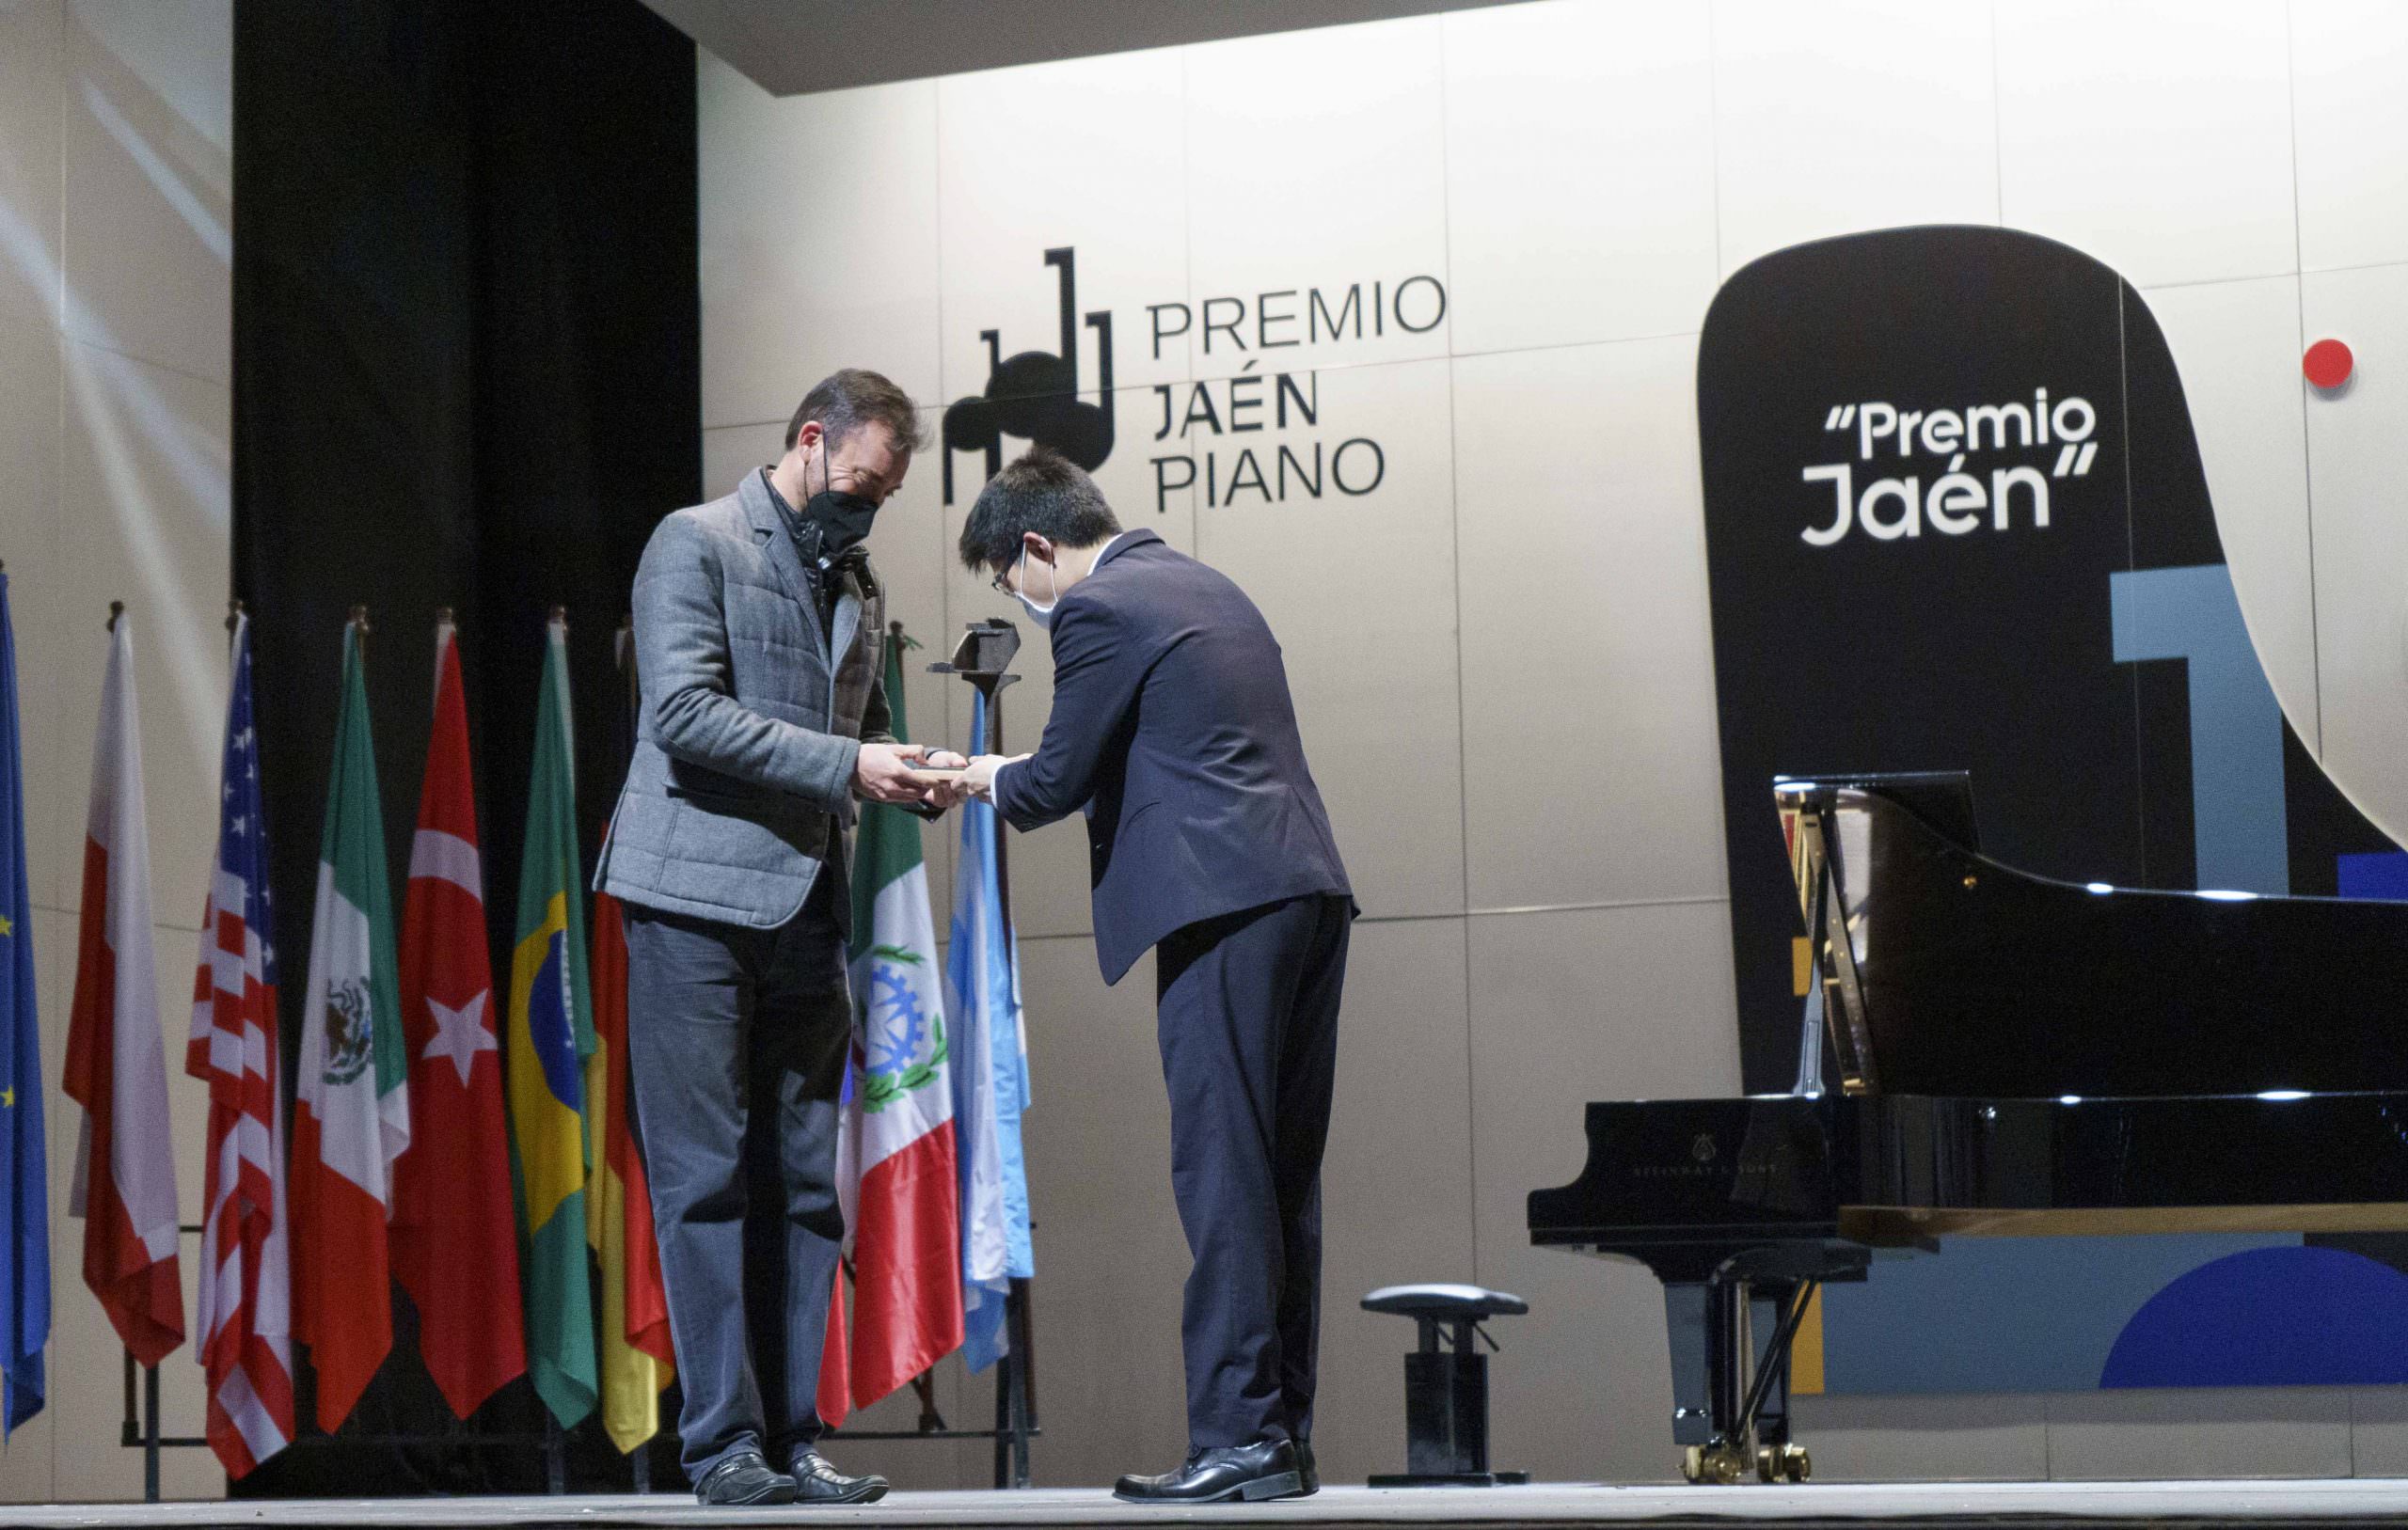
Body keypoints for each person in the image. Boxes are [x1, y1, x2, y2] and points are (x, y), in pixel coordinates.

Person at [596, 368, 966, 1507]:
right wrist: (851, 762)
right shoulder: (694, 542)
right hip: (692, 906)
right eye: (862, 483)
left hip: (808, 907)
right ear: (811, 439)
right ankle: (722, 1447)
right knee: (705, 1180)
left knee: (805, 1183)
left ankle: (794, 1440)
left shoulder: (856, 578)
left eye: (885, 496)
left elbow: (857, 727)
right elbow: (682, 714)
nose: (870, 509)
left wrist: (911, 770)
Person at [957, 447, 1354, 1506]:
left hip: (1221, 901)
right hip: (1307, 892)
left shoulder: (1098, 606)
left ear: (1035, 546)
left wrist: (974, 775)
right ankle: (1280, 1437)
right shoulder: (1205, 581)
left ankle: (1236, 1435)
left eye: (1007, 580)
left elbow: (1053, 780)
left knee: (1222, 1172)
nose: (1018, 598)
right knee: (1281, 1178)